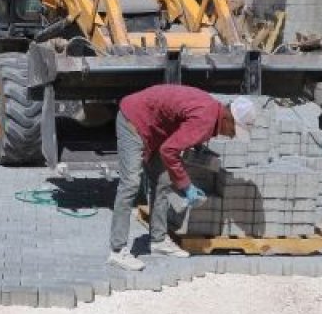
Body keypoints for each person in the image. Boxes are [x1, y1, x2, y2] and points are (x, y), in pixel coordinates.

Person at [108, 85, 257, 271]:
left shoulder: (212, 110)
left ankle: (158, 240)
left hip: (155, 128)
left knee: (162, 180)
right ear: (228, 118)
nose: (232, 136)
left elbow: (183, 126)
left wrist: (199, 148)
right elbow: (169, 151)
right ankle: (117, 250)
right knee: (130, 183)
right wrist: (186, 186)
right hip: (134, 120)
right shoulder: (207, 118)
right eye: (234, 131)